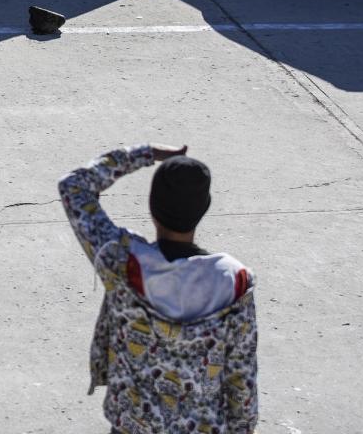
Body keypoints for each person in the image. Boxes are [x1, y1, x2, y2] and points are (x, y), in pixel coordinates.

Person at [58, 145, 258, 434]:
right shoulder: (234, 282)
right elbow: (242, 377)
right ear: (203, 209)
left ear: (152, 207)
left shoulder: (122, 261)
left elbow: (73, 186)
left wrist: (146, 154)